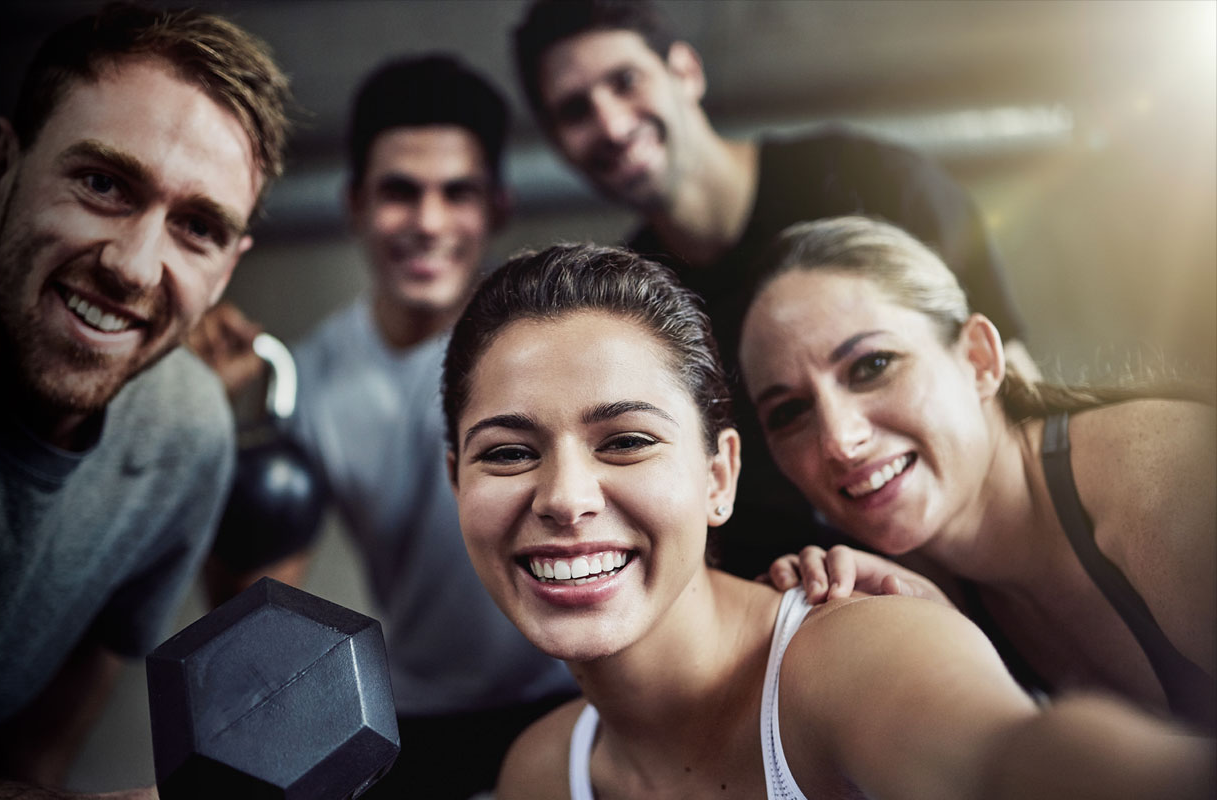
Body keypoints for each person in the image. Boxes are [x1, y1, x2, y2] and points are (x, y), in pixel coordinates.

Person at [439, 241, 1213, 800]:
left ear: (720, 476)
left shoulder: (858, 648)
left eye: (629, 441)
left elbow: (1003, 759)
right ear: (454, 480)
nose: (565, 498)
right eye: (507, 454)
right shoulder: (540, 772)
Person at [0, 3, 292, 796]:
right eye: (103, 183)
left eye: (198, 228)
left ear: (229, 266)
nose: (136, 268)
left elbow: (43, 743)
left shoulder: (187, 430)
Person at [511, 0, 1038, 580]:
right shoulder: (631, 302)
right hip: (827, 603)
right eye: (575, 110)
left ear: (685, 71)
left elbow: (1018, 396)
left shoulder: (874, 182)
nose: (610, 124)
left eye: (625, 81)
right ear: (559, 144)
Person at [188, 55, 579, 799]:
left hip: (574, 693)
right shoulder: (309, 379)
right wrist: (234, 433)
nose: (428, 223)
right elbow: (252, 610)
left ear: (496, 207)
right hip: (415, 719)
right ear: (356, 203)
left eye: (456, 193)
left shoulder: (554, 340)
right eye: (400, 192)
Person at [738, 215, 1216, 733]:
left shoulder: (1164, 475)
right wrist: (954, 653)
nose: (837, 440)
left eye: (872, 366)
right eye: (788, 412)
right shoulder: (900, 588)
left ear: (980, 359)